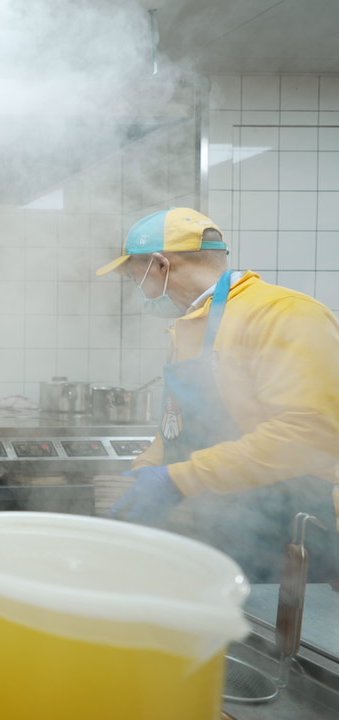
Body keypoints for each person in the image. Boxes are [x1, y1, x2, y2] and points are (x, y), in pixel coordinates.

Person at [98, 207, 339, 582]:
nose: (139, 290)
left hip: (291, 530)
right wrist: (145, 471)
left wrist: (179, 480)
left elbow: (307, 435)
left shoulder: (285, 314)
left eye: (135, 277)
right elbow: (176, 426)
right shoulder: (192, 325)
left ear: (160, 265)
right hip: (224, 520)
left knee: (277, 638)